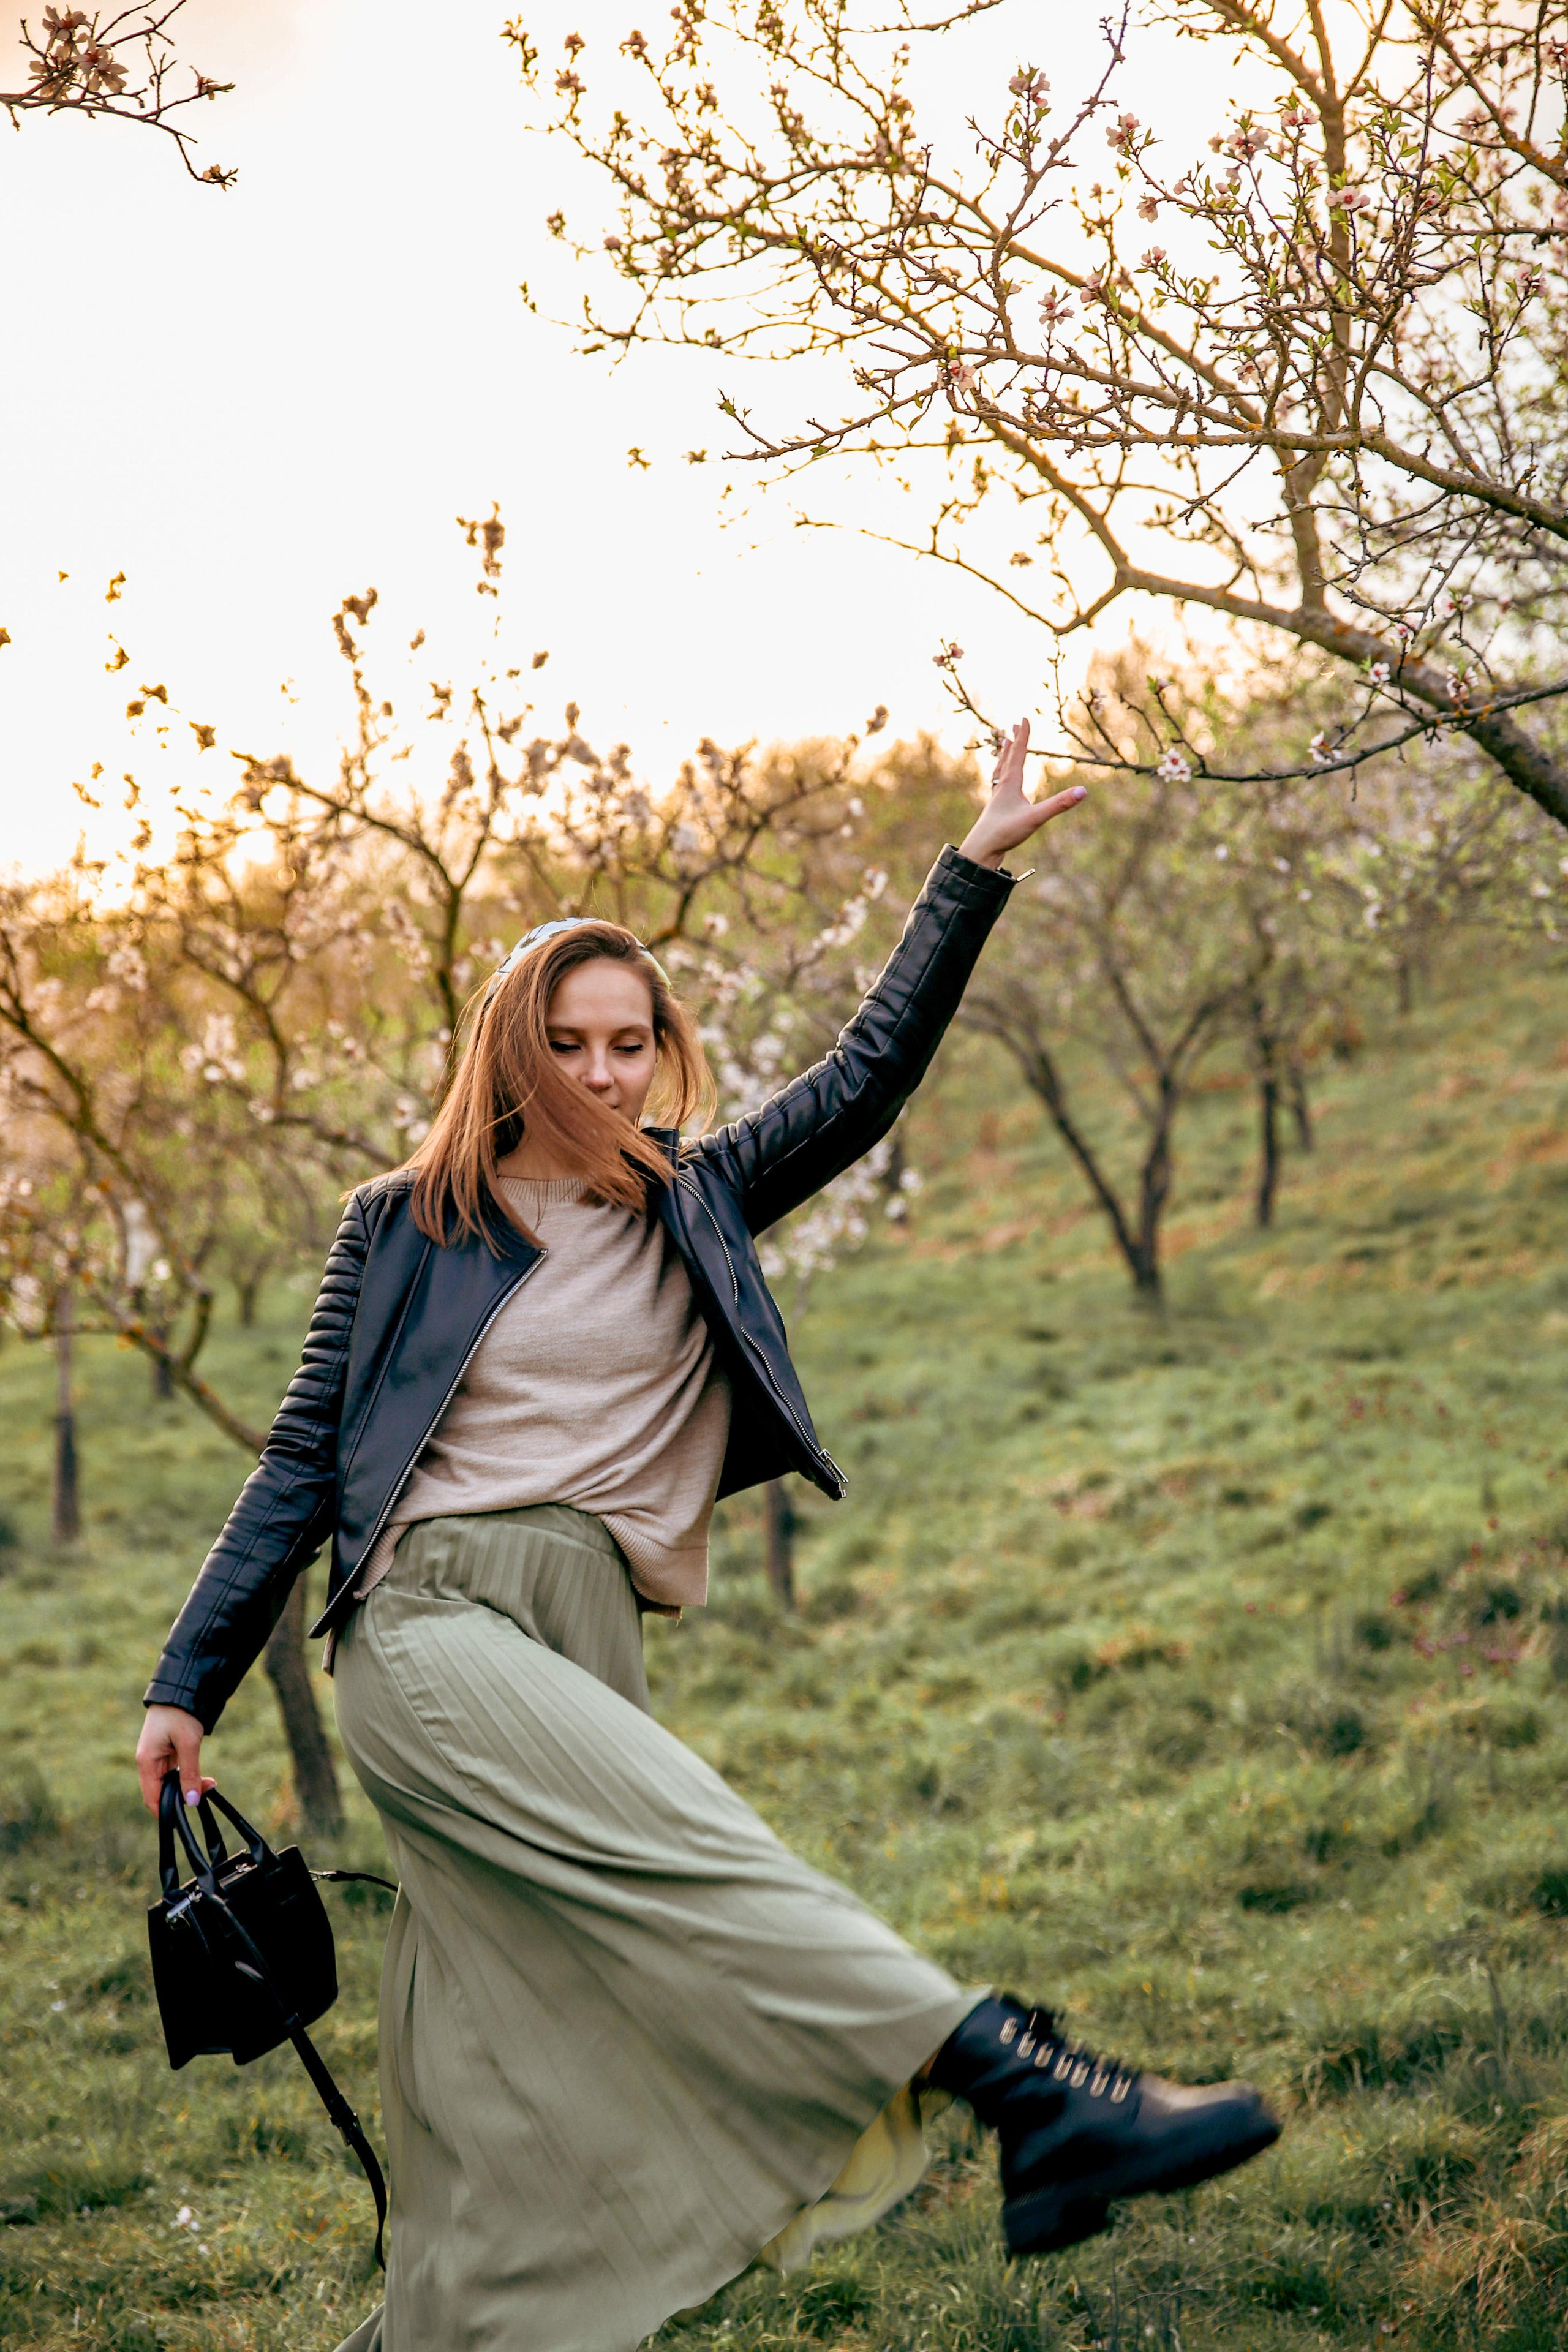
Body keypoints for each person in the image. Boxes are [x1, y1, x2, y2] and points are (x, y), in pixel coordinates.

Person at [137, 722, 1278, 2351]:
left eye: (631, 1042)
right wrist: (193, 1679)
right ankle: (1031, 2090)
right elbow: (304, 1458)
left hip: (587, 1631)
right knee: (714, 1866)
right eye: (571, 1044)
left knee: (502, 2069)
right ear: (510, 1055)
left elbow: (866, 1077)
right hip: (434, 1630)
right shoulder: (401, 1226)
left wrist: (971, 870)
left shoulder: (699, 1195)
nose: (605, 1074)